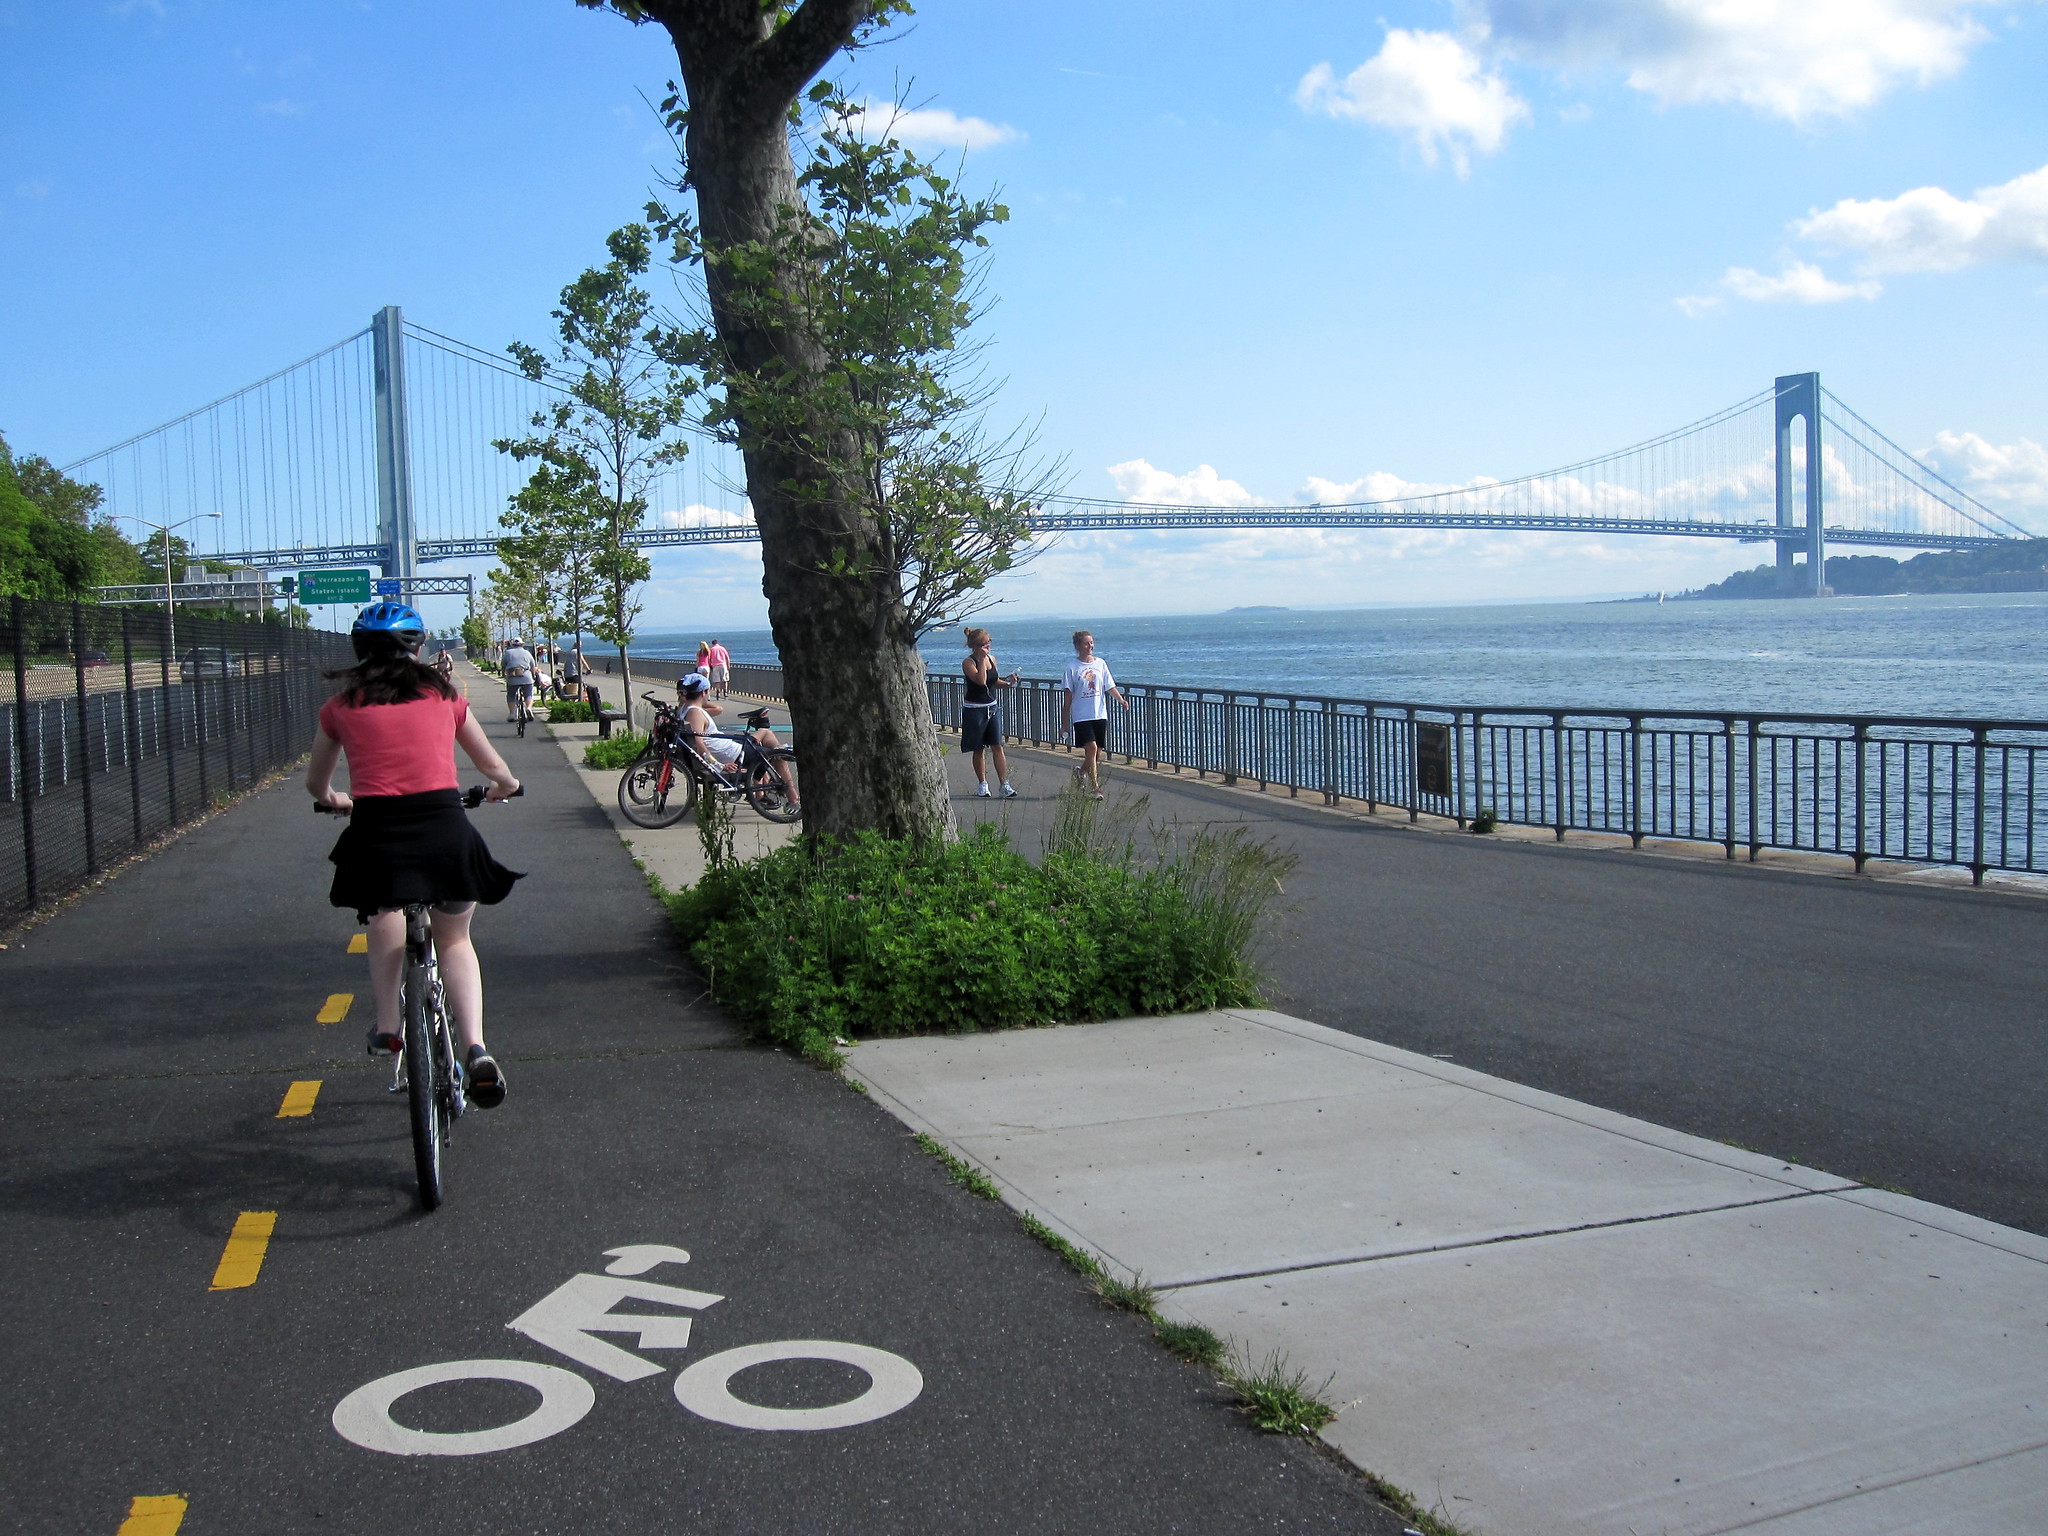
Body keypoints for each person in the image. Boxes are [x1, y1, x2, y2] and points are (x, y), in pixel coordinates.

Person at [305, 602, 522, 1107]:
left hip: (378, 832)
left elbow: (318, 784)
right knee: (454, 938)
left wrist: (338, 800)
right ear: (417, 648)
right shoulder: (444, 695)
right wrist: (503, 787)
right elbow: (493, 767)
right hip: (444, 830)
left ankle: (387, 1026)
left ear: (360, 652)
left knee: (383, 908)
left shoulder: (342, 706)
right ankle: (476, 1048)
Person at [677, 672, 798, 811]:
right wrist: (719, 766)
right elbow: (699, 744)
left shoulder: (685, 709)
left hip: (730, 748)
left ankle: (765, 785)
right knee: (777, 755)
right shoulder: (696, 713)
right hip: (733, 754)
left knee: (767, 735)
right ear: (704, 692)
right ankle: (791, 798)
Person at [1060, 629, 1128, 800]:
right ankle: (1095, 787)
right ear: (1077, 646)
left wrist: (1121, 700)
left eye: (1091, 642)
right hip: (1082, 715)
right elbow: (1068, 697)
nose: (1090, 646)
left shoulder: (1100, 664)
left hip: (1099, 713)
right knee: (1091, 748)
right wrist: (1064, 724)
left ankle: (1081, 771)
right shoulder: (1072, 667)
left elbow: (1109, 686)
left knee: (1097, 752)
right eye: (1086, 643)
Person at [961, 627, 1019, 799]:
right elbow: (980, 681)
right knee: (978, 749)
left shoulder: (992, 659)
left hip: (992, 707)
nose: (988, 646)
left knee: (997, 746)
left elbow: (992, 683)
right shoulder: (969, 663)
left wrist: (1009, 683)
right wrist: (980, 659)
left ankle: (1004, 784)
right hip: (974, 709)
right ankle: (983, 784)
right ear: (976, 646)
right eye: (984, 644)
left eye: (989, 642)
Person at [501, 636, 537, 723]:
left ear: (513, 645)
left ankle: (512, 714)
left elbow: (503, 665)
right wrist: (533, 676)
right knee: (528, 694)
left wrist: (504, 674)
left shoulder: (508, 653)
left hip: (512, 677)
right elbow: (533, 666)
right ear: (522, 645)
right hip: (526, 676)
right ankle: (528, 708)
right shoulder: (527, 653)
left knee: (511, 695)